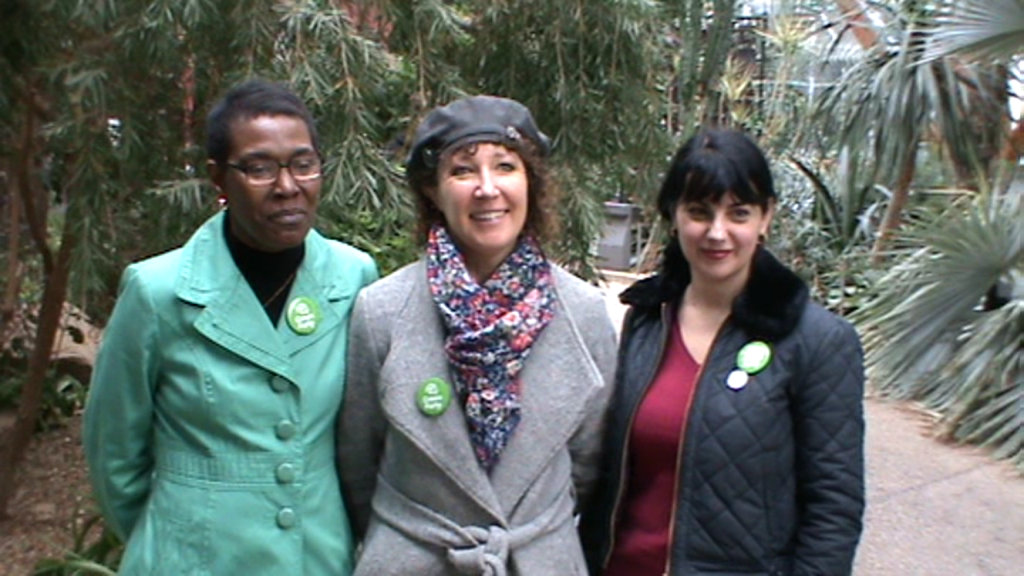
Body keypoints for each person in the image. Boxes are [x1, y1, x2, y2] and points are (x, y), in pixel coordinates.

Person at [83, 79, 378, 575]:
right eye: (260, 168)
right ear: (218, 178)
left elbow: (364, 436)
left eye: (303, 164)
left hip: (317, 556)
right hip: (194, 558)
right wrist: (173, 541)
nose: (288, 185)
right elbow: (114, 453)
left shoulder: (353, 277)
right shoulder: (158, 292)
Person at [336, 95, 617, 575]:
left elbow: (590, 468)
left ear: (531, 182)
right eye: (463, 171)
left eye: (505, 167)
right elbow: (358, 461)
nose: (487, 189)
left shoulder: (584, 313)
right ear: (433, 191)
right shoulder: (381, 311)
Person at [580, 128, 865, 575]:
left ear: (765, 217)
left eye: (739, 213)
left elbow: (833, 508)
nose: (717, 232)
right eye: (699, 211)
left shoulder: (817, 341)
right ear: (673, 215)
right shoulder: (648, 318)